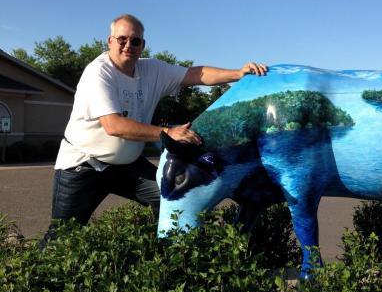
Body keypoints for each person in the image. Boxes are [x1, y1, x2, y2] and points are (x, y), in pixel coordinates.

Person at [39, 13, 267, 247]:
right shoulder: (98, 73)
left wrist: (237, 74)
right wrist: (167, 132)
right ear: (110, 41)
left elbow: (194, 74)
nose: (128, 45)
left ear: (142, 45)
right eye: (122, 39)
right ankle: (36, 281)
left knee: (172, 202)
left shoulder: (151, 70)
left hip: (127, 166)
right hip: (83, 166)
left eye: (135, 41)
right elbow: (113, 125)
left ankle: (167, 266)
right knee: (62, 237)